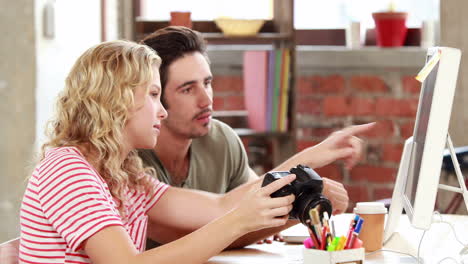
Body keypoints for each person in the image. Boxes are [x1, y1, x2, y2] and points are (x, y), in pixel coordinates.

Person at [19, 40, 298, 263]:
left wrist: (304, 174)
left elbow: (219, 207)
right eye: (153, 95)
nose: (163, 112)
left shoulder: (123, 175)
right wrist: (238, 223)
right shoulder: (67, 170)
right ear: (117, 100)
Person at [138, 26, 374, 244]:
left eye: (207, 83)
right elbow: (187, 240)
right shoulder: (129, 160)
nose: (207, 100)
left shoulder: (221, 139)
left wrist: (302, 208)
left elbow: (257, 213)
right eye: (187, 89)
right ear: (154, 96)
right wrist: (307, 161)